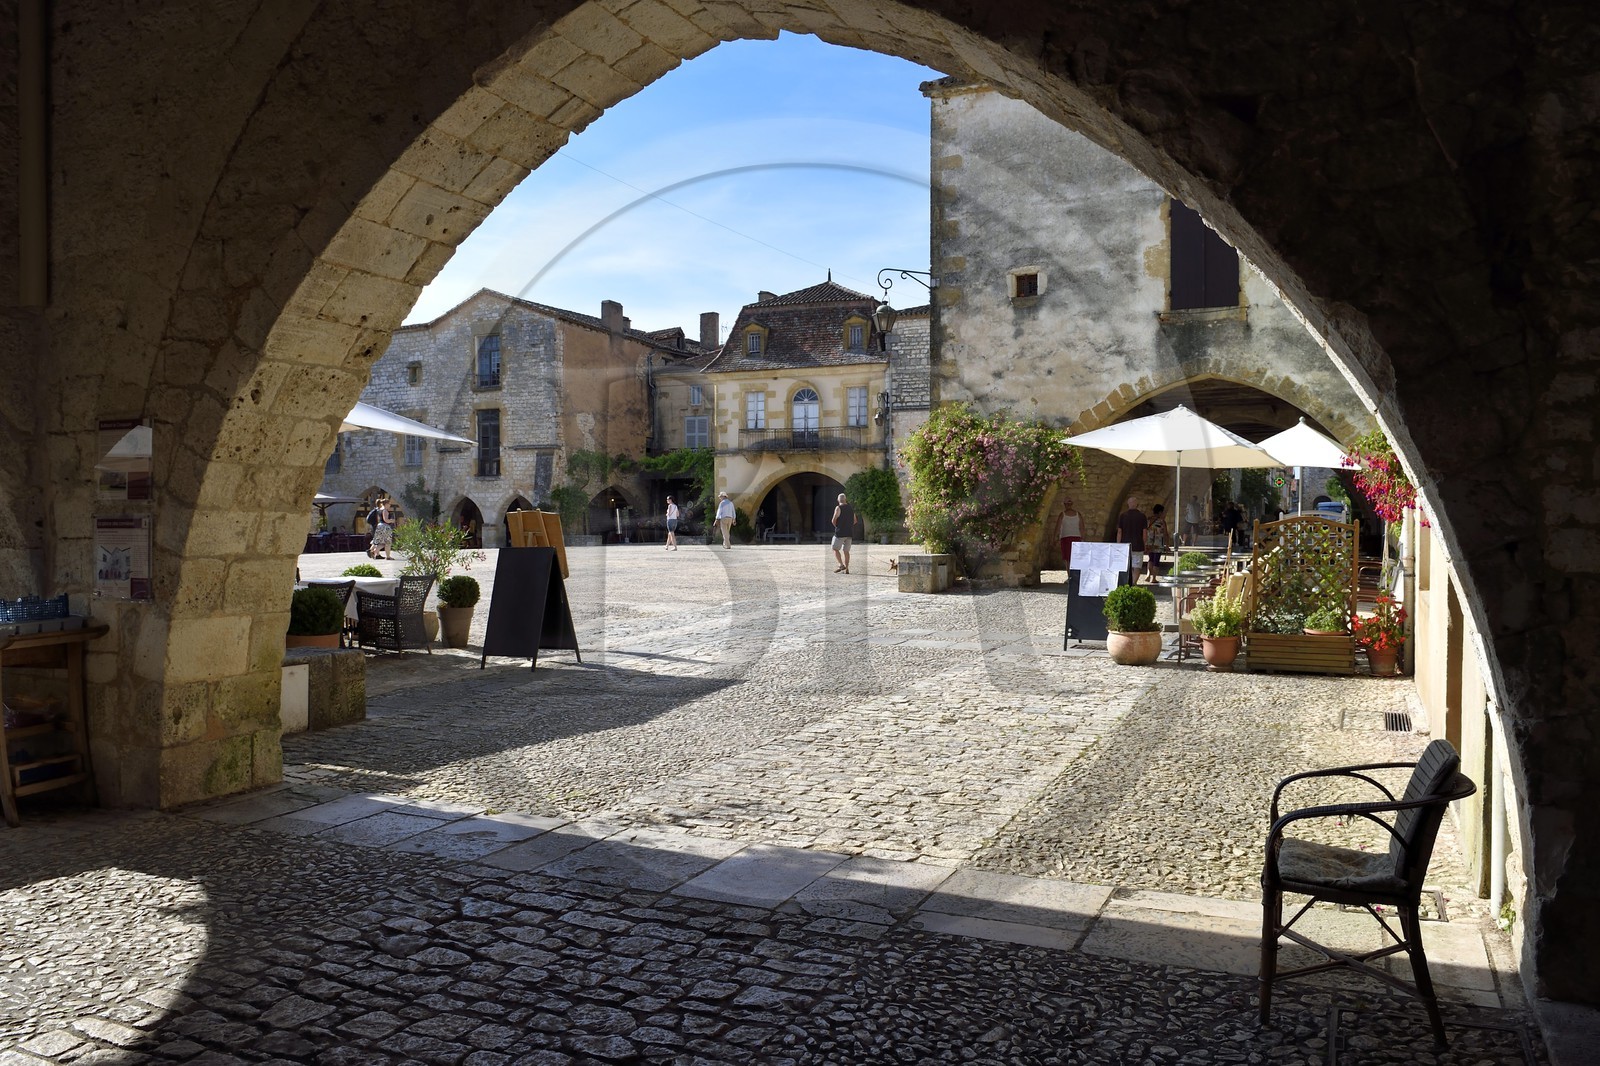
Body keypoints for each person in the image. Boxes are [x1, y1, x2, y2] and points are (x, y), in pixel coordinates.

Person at [1116, 496, 1147, 582]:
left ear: (1128, 504)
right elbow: (1144, 532)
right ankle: (1134, 582)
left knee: (1127, 565)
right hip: (1138, 544)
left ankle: (1127, 582)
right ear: (1137, 504)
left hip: (1125, 545)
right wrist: (1144, 544)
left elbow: (1119, 532)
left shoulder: (1123, 516)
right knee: (1137, 566)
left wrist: (1118, 544)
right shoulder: (1142, 516)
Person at [831, 493, 856, 574]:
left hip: (840, 532)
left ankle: (841, 565)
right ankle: (847, 568)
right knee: (846, 551)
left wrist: (837, 527)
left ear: (838, 500)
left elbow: (833, 520)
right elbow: (855, 520)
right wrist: (848, 526)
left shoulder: (838, 508)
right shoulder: (851, 508)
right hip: (849, 533)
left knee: (835, 548)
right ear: (845, 499)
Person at [1145, 503, 1170, 581]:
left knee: (1150, 559)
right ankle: (1154, 578)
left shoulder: (1148, 520)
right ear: (1160, 512)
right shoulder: (1162, 522)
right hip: (1158, 543)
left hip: (1149, 542)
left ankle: (1148, 575)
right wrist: (1167, 545)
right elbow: (1166, 534)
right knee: (1156, 561)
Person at [1057, 496, 1083, 566]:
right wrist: (1083, 539)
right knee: (1075, 557)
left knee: (1067, 558)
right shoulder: (1078, 514)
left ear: (1065, 504)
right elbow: (1082, 528)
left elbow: (1058, 528)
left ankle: (1069, 574)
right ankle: (1075, 574)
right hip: (1077, 537)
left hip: (1066, 537)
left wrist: (1055, 539)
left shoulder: (1062, 515)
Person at [370, 496, 396, 560]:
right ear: (386, 504)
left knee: (382, 542)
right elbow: (386, 520)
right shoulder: (385, 511)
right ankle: (387, 556)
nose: (390, 505)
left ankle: (374, 551)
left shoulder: (380, 510)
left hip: (380, 526)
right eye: (389, 504)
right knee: (388, 542)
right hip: (385, 527)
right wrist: (392, 520)